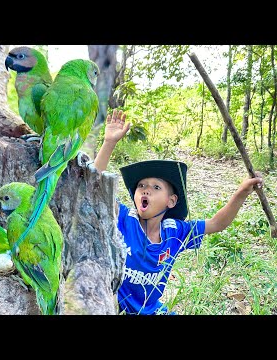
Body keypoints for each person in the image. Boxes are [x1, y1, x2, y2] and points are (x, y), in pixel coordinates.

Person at [93, 109, 263, 315]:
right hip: (113, 307)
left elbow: (218, 224)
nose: (146, 189)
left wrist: (243, 192)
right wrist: (109, 143)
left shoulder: (175, 232)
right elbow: (94, 187)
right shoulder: (123, 219)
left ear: (171, 201)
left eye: (156, 187)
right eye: (141, 186)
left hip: (152, 310)